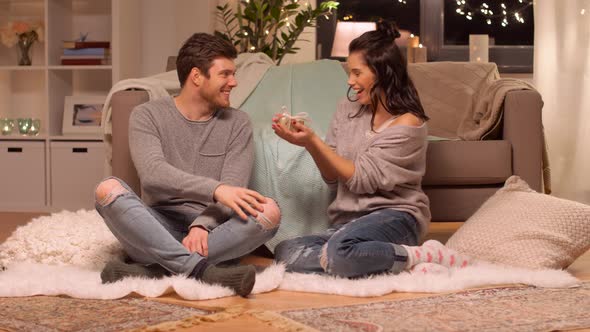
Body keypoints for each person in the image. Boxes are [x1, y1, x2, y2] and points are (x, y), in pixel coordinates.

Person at [272, 21, 469, 278]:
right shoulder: (348, 108)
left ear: (382, 72)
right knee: (285, 252)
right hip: (348, 223)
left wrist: (313, 141)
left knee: (339, 254)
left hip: (395, 218)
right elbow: (332, 178)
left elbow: (361, 180)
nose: (350, 81)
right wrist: (308, 144)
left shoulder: (407, 123)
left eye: (357, 73)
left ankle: (418, 255)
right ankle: (380, 260)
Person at [94, 33, 281, 297]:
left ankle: (153, 271)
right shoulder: (147, 115)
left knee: (269, 212)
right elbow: (153, 174)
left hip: (214, 230)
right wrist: (216, 189)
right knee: (107, 189)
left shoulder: (238, 123)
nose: (234, 82)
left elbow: (235, 191)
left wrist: (202, 224)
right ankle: (203, 272)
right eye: (225, 74)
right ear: (196, 76)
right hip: (157, 225)